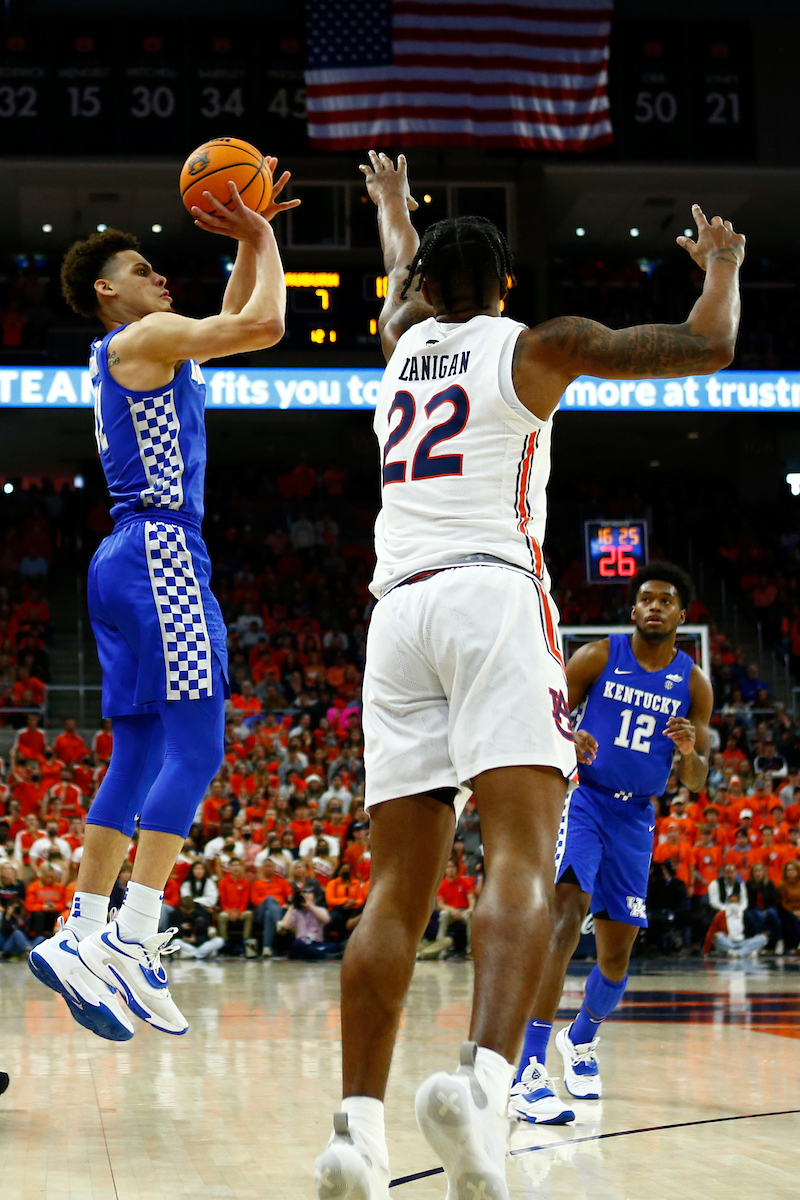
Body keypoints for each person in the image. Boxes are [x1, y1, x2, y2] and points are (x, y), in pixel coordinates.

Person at [314, 150, 742, 1200]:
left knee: (393, 891)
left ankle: (354, 1134)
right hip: (490, 595)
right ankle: (485, 1082)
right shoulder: (534, 345)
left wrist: (387, 214)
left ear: (420, 295)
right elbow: (707, 346)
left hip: (395, 612)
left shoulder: (397, 348)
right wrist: (721, 267)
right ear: (502, 287)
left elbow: (403, 279)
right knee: (518, 849)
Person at [29, 164, 297, 1043]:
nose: (161, 277)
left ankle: (83, 929)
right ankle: (136, 937)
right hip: (163, 553)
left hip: (122, 557)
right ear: (108, 291)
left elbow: (224, 318)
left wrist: (247, 244)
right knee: (200, 743)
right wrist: (256, 235)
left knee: (139, 752)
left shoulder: (134, 351)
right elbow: (261, 324)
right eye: (144, 270)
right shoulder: (144, 342)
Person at [510, 562, 713, 1125]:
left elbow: (696, 782)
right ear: (633, 610)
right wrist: (568, 735)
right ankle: (528, 1069)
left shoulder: (694, 684)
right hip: (587, 801)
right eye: (645, 599)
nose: (654, 607)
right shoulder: (598, 656)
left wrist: (691, 753)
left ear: (681, 615)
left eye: (665, 601)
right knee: (565, 915)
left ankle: (580, 1040)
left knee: (618, 956)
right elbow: (545, 716)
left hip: (638, 818)